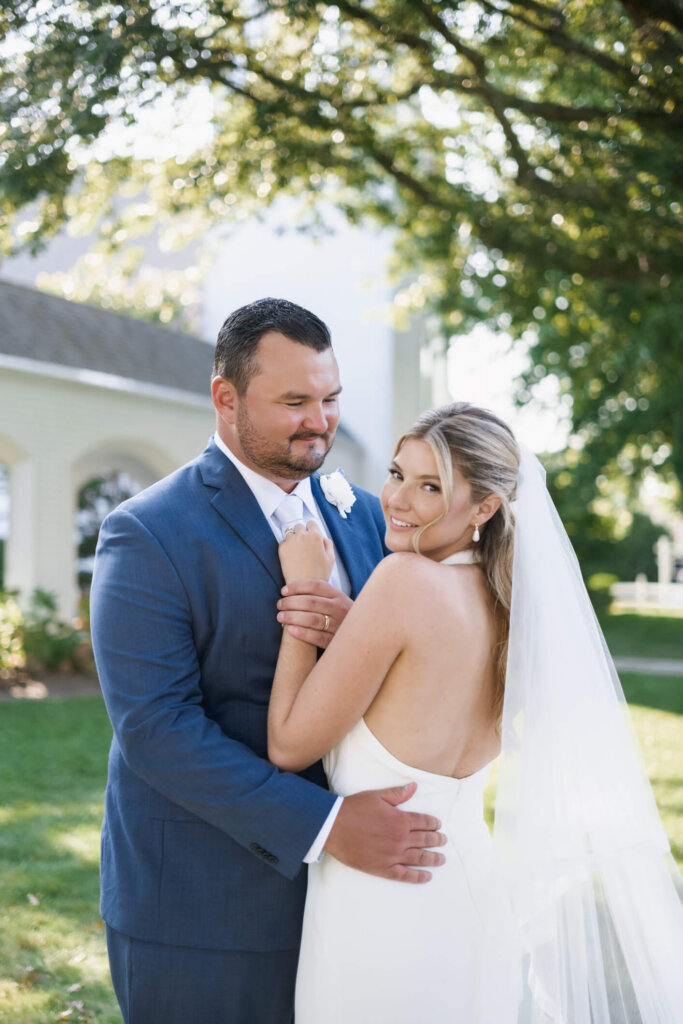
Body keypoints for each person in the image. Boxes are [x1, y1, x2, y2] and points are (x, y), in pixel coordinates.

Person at [89, 297, 446, 1024]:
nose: (320, 421)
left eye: (329, 398)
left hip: (354, 907)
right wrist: (325, 825)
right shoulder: (146, 534)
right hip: (203, 913)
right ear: (226, 398)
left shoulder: (369, 515)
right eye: (294, 401)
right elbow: (156, 730)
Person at [268, 402, 683, 1024]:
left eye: (430, 486)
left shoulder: (402, 581)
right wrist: (357, 634)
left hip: (383, 908)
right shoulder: (510, 605)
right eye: (397, 473)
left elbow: (288, 745)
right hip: (470, 895)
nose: (397, 499)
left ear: (485, 507)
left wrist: (302, 589)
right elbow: (419, 678)